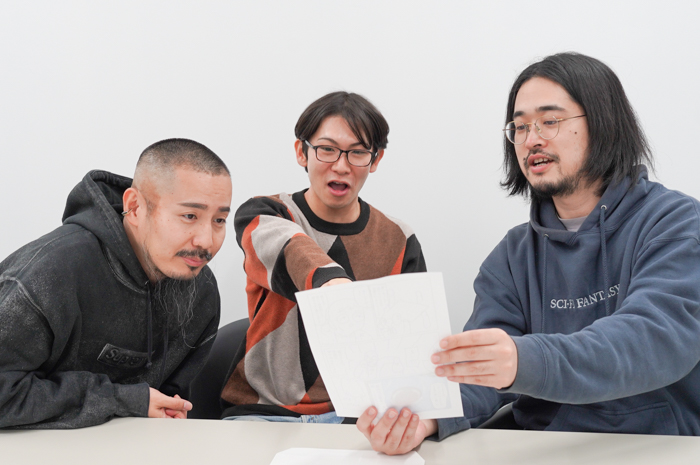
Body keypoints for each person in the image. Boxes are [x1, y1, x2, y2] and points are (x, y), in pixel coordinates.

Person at [358, 52, 700, 454]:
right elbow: (480, 372)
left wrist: (524, 360)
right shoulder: (512, 254)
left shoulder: (676, 224)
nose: (531, 139)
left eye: (550, 121)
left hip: (656, 449)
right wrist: (429, 417)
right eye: (520, 127)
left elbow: (653, 340)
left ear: (604, 123)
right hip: (541, 450)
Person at [220, 91, 426, 422]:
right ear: (301, 152)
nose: (341, 166)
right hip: (264, 412)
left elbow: (410, 343)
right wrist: (332, 284)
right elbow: (289, 246)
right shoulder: (266, 213)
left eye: (358, 152)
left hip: (358, 417)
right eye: (327, 149)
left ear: (375, 160)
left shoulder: (399, 238)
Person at [0, 138, 232, 428]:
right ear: (134, 207)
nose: (207, 241)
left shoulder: (201, 290)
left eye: (219, 220)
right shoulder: (48, 274)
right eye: (189, 216)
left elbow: (171, 404)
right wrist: (124, 399)